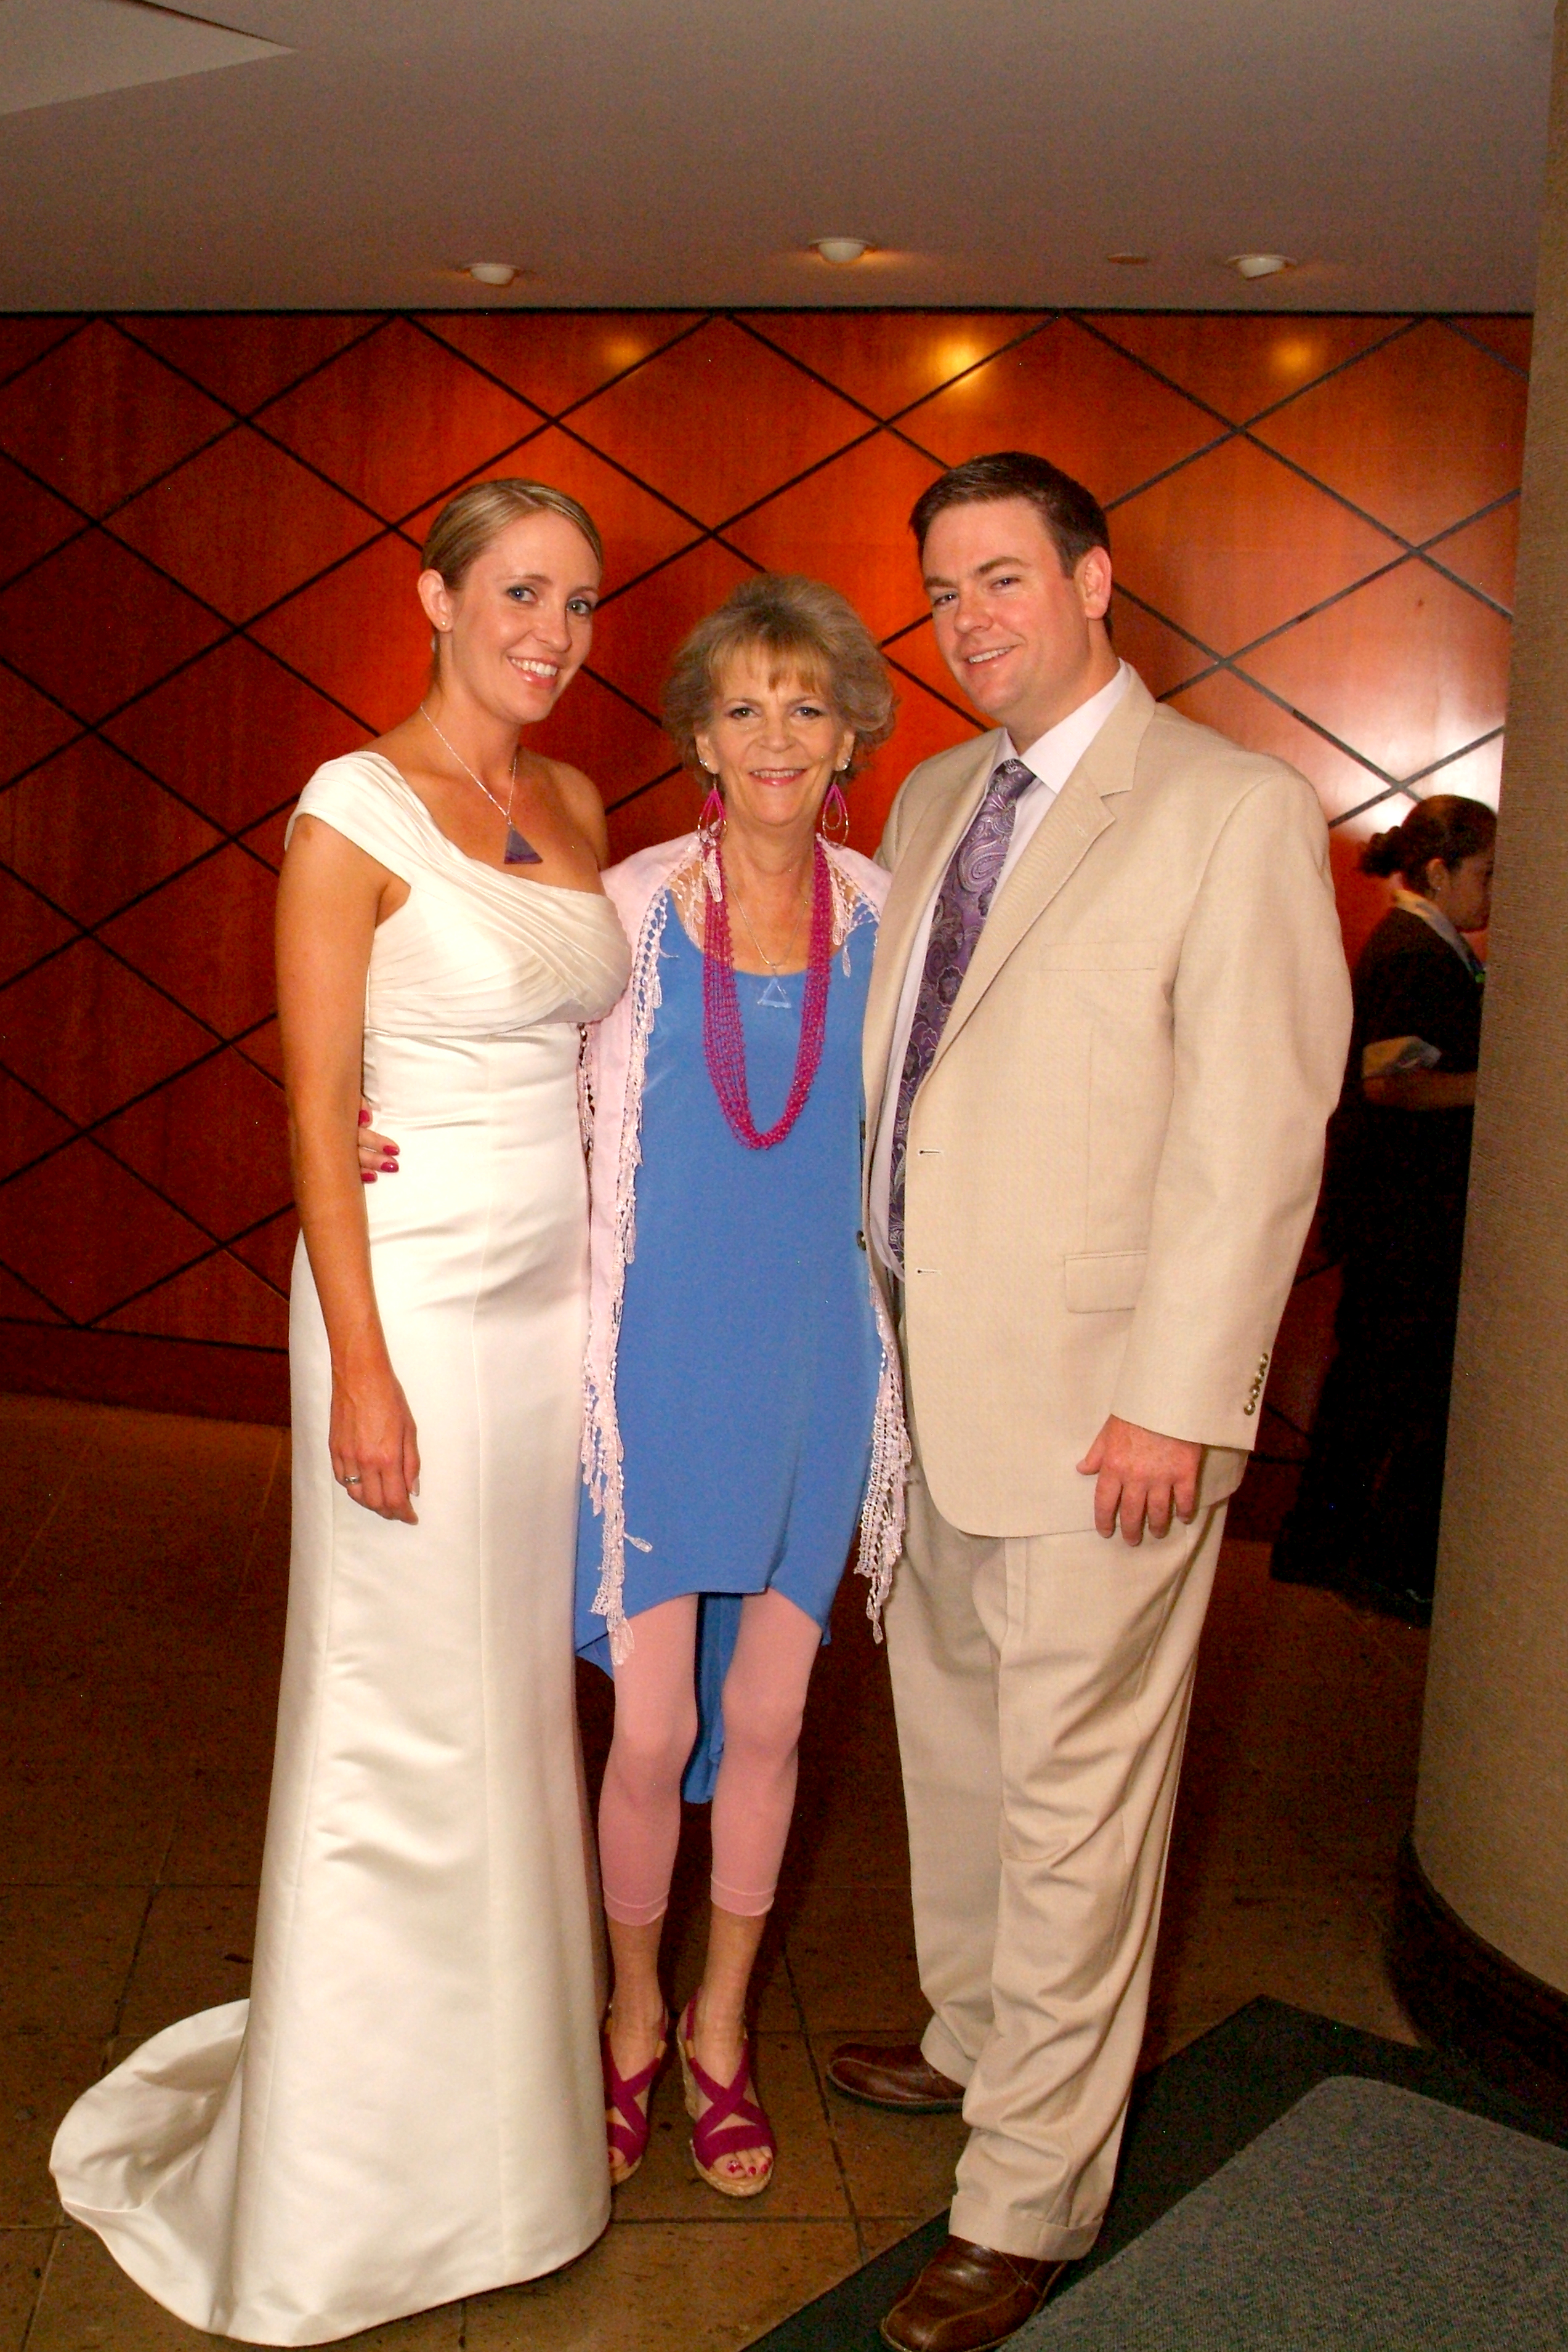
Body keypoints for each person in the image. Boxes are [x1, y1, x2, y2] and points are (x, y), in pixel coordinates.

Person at [51, 480, 632, 2344]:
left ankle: (510, 2133)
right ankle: (355, 2171)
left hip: (549, 1312)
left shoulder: (579, 804)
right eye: (521, 590)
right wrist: (361, 1365)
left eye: (581, 600)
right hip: (408, 1307)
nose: (551, 627)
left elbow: (606, 1058)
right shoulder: (346, 807)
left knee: (514, 1710)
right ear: (437, 597)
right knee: (403, 1712)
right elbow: (314, 1113)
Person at [820, 451, 1352, 2352]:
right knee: (960, 1760)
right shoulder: (937, 793)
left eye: (1002, 578)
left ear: (1096, 578)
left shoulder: (1231, 807)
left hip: (1099, 1422)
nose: (970, 620)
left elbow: (1256, 1135)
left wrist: (1178, 1403)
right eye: (944, 590)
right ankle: (977, 2044)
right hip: (928, 1394)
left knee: (1071, 1815)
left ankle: (1027, 2189)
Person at [578, 575, 907, 2198]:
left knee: (767, 1718)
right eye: (742, 705)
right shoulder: (628, 906)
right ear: (698, 737)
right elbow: (523, 1092)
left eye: (805, 702)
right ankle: (628, 2015)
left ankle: (717, 2035)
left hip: (816, 1365)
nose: (775, 734)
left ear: (848, 729)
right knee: (648, 1735)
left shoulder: (891, 918)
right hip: (652, 1368)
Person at [1272, 795, 1495, 1622]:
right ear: (1436, 872)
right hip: (1402, 1220)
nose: (1492, 891)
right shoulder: (1412, 952)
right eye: (1485, 873)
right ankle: (1355, 1553)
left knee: (1371, 1390)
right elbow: (1389, 1081)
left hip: (1397, 1217)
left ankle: (1325, 1546)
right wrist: (1496, 1084)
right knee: (1384, 1393)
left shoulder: (1429, 947)